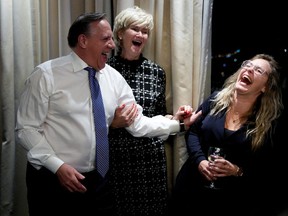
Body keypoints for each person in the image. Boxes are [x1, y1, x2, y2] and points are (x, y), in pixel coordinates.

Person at [15, 12, 201, 216]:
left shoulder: (114, 78)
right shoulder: (46, 75)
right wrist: (57, 166)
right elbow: (26, 129)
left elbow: (138, 124)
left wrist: (179, 125)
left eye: (111, 39)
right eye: (105, 39)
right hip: (51, 179)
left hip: (97, 182)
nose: (112, 45)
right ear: (83, 40)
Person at [169, 54, 283, 216]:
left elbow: (267, 169)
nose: (249, 69)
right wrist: (200, 161)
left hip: (230, 200)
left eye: (258, 70)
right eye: (248, 64)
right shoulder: (216, 100)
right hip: (191, 188)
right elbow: (193, 131)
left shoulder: (267, 124)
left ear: (265, 87)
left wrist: (237, 171)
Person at [107, 6, 171, 216]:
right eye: (135, 29)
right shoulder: (105, 69)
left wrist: (176, 120)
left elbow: (159, 114)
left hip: (150, 161)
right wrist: (112, 123)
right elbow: (90, 119)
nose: (141, 35)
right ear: (120, 33)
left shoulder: (156, 72)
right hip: (117, 160)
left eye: (145, 31)